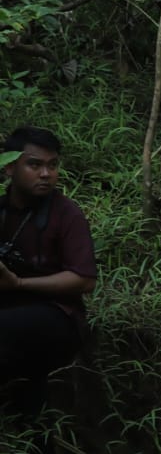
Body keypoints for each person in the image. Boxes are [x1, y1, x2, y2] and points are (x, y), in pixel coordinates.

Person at [0, 127, 96, 413]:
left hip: (58, 316)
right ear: (9, 167)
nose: (46, 174)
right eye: (34, 164)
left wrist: (18, 284)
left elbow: (84, 279)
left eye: (52, 165)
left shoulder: (67, 214)